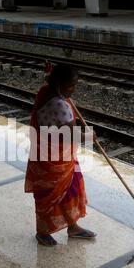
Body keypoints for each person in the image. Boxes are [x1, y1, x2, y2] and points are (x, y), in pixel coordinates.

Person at [25, 64, 97, 247]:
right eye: (71, 85)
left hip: (49, 156)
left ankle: (73, 226)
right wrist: (89, 136)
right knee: (50, 195)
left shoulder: (45, 92)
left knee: (69, 191)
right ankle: (42, 233)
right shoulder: (60, 105)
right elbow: (70, 134)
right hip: (55, 160)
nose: (73, 89)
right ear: (59, 84)